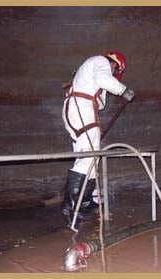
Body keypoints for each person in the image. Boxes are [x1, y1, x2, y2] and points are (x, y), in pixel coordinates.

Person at [61, 51, 135, 219]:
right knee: (90, 155)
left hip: (79, 109)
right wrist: (123, 90)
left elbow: (100, 104)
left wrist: (106, 89)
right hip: (82, 109)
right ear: (114, 64)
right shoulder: (100, 61)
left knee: (90, 156)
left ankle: (85, 202)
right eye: (115, 71)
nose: (113, 74)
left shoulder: (92, 70)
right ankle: (71, 204)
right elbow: (104, 80)